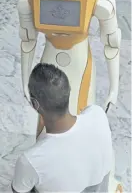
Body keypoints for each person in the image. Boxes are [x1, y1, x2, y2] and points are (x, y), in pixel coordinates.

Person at [12, 63, 122, 193]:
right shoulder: (97, 114)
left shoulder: (31, 160)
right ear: (68, 91)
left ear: (35, 104)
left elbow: (19, 190)